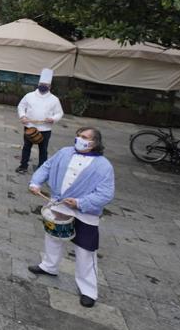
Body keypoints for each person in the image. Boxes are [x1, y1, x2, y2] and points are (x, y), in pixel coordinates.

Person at [28, 127, 115, 308]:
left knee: (85, 250)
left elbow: (106, 194)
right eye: (78, 136)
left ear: (94, 143)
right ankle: (49, 266)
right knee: (53, 237)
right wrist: (36, 182)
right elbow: (47, 166)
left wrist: (80, 202)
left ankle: (88, 290)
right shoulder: (64, 152)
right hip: (59, 204)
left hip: (84, 212)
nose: (79, 139)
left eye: (84, 137)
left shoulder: (104, 165)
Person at [15, 68, 64, 174]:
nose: (43, 86)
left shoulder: (54, 99)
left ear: (50, 87)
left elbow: (59, 113)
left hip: (45, 128)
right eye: (41, 83)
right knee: (26, 147)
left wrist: (53, 119)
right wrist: (23, 116)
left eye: (46, 85)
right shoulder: (29, 95)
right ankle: (23, 166)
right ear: (38, 84)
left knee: (43, 150)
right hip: (29, 126)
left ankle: (42, 169)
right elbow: (21, 106)